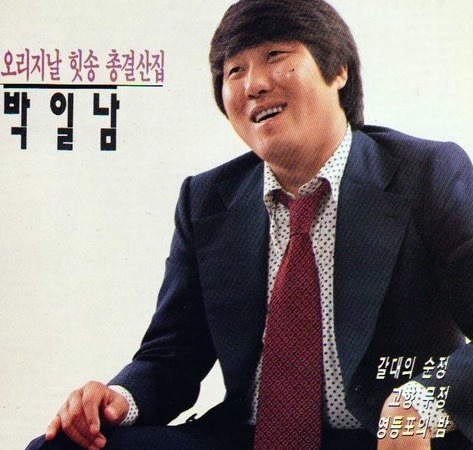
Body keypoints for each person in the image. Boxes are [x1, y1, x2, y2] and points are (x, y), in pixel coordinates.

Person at [26, 0, 473, 449]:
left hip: (383, 437)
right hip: (248, 437)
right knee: (60, 446)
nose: (253, 84)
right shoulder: (206, 200)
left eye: (275, 56)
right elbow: (172, 357)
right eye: (234, 71)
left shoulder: (427, 173)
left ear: (338, 70)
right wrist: (118, 399)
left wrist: (420, 402)